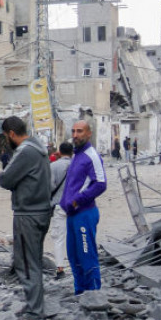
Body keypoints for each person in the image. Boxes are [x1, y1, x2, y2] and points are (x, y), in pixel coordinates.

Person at [0, 116, 53, 320]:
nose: (6, 141)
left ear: (11, 133)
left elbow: (5, 179)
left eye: (5, 137)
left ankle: (35, 314)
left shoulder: (25, 151)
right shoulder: (38, 147)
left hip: (28, 214)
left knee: (27, 264)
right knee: (33, 261)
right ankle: (34, 307)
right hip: (40, 211)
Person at [60, 121, 107, 295]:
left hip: (84, 213)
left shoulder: (91, 155)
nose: (75, 134)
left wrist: (77, 201)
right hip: (72, 215)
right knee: (74, 256)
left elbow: (100, 184)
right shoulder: (76, 155)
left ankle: (94, 294)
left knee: (87, 255)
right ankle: (80, 293)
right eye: (73, 131)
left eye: (79, 131)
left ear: (88, 134)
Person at [48, 141, 74, 277]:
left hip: (59, 205)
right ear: (72, 152)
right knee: (75, 236)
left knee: (59, 238)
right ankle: (78, 266)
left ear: (59, 151)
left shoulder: (53, 166)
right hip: (76, 205)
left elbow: (50, 186)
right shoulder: (76, 165)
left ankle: (60, 269)